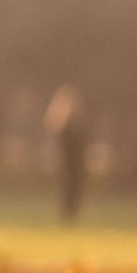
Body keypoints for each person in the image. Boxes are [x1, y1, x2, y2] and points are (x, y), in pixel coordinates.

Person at [46, 86, 90, 225]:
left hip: (76, 160)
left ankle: (72, 212)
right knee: (66, 185)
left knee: (75, 185)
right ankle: (65, 213)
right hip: (65, 161)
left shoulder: (79, 122)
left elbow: (83, 142)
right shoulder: (61, 124)